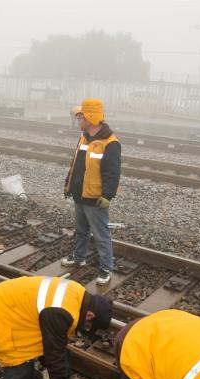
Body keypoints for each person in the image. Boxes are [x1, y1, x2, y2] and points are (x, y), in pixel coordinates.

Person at [61, 98, 121, 286]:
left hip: (95, 198)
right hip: (80, 194)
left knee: (101, 235)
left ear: (90, 118)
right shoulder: (84, 137)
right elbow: (76, 164)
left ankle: (106, 269)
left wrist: (107, 195)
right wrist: (68, 184)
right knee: (81, 231)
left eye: (81, 117)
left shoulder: (110, 143)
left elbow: (113, 172)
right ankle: (79, 257)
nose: (79, 121)